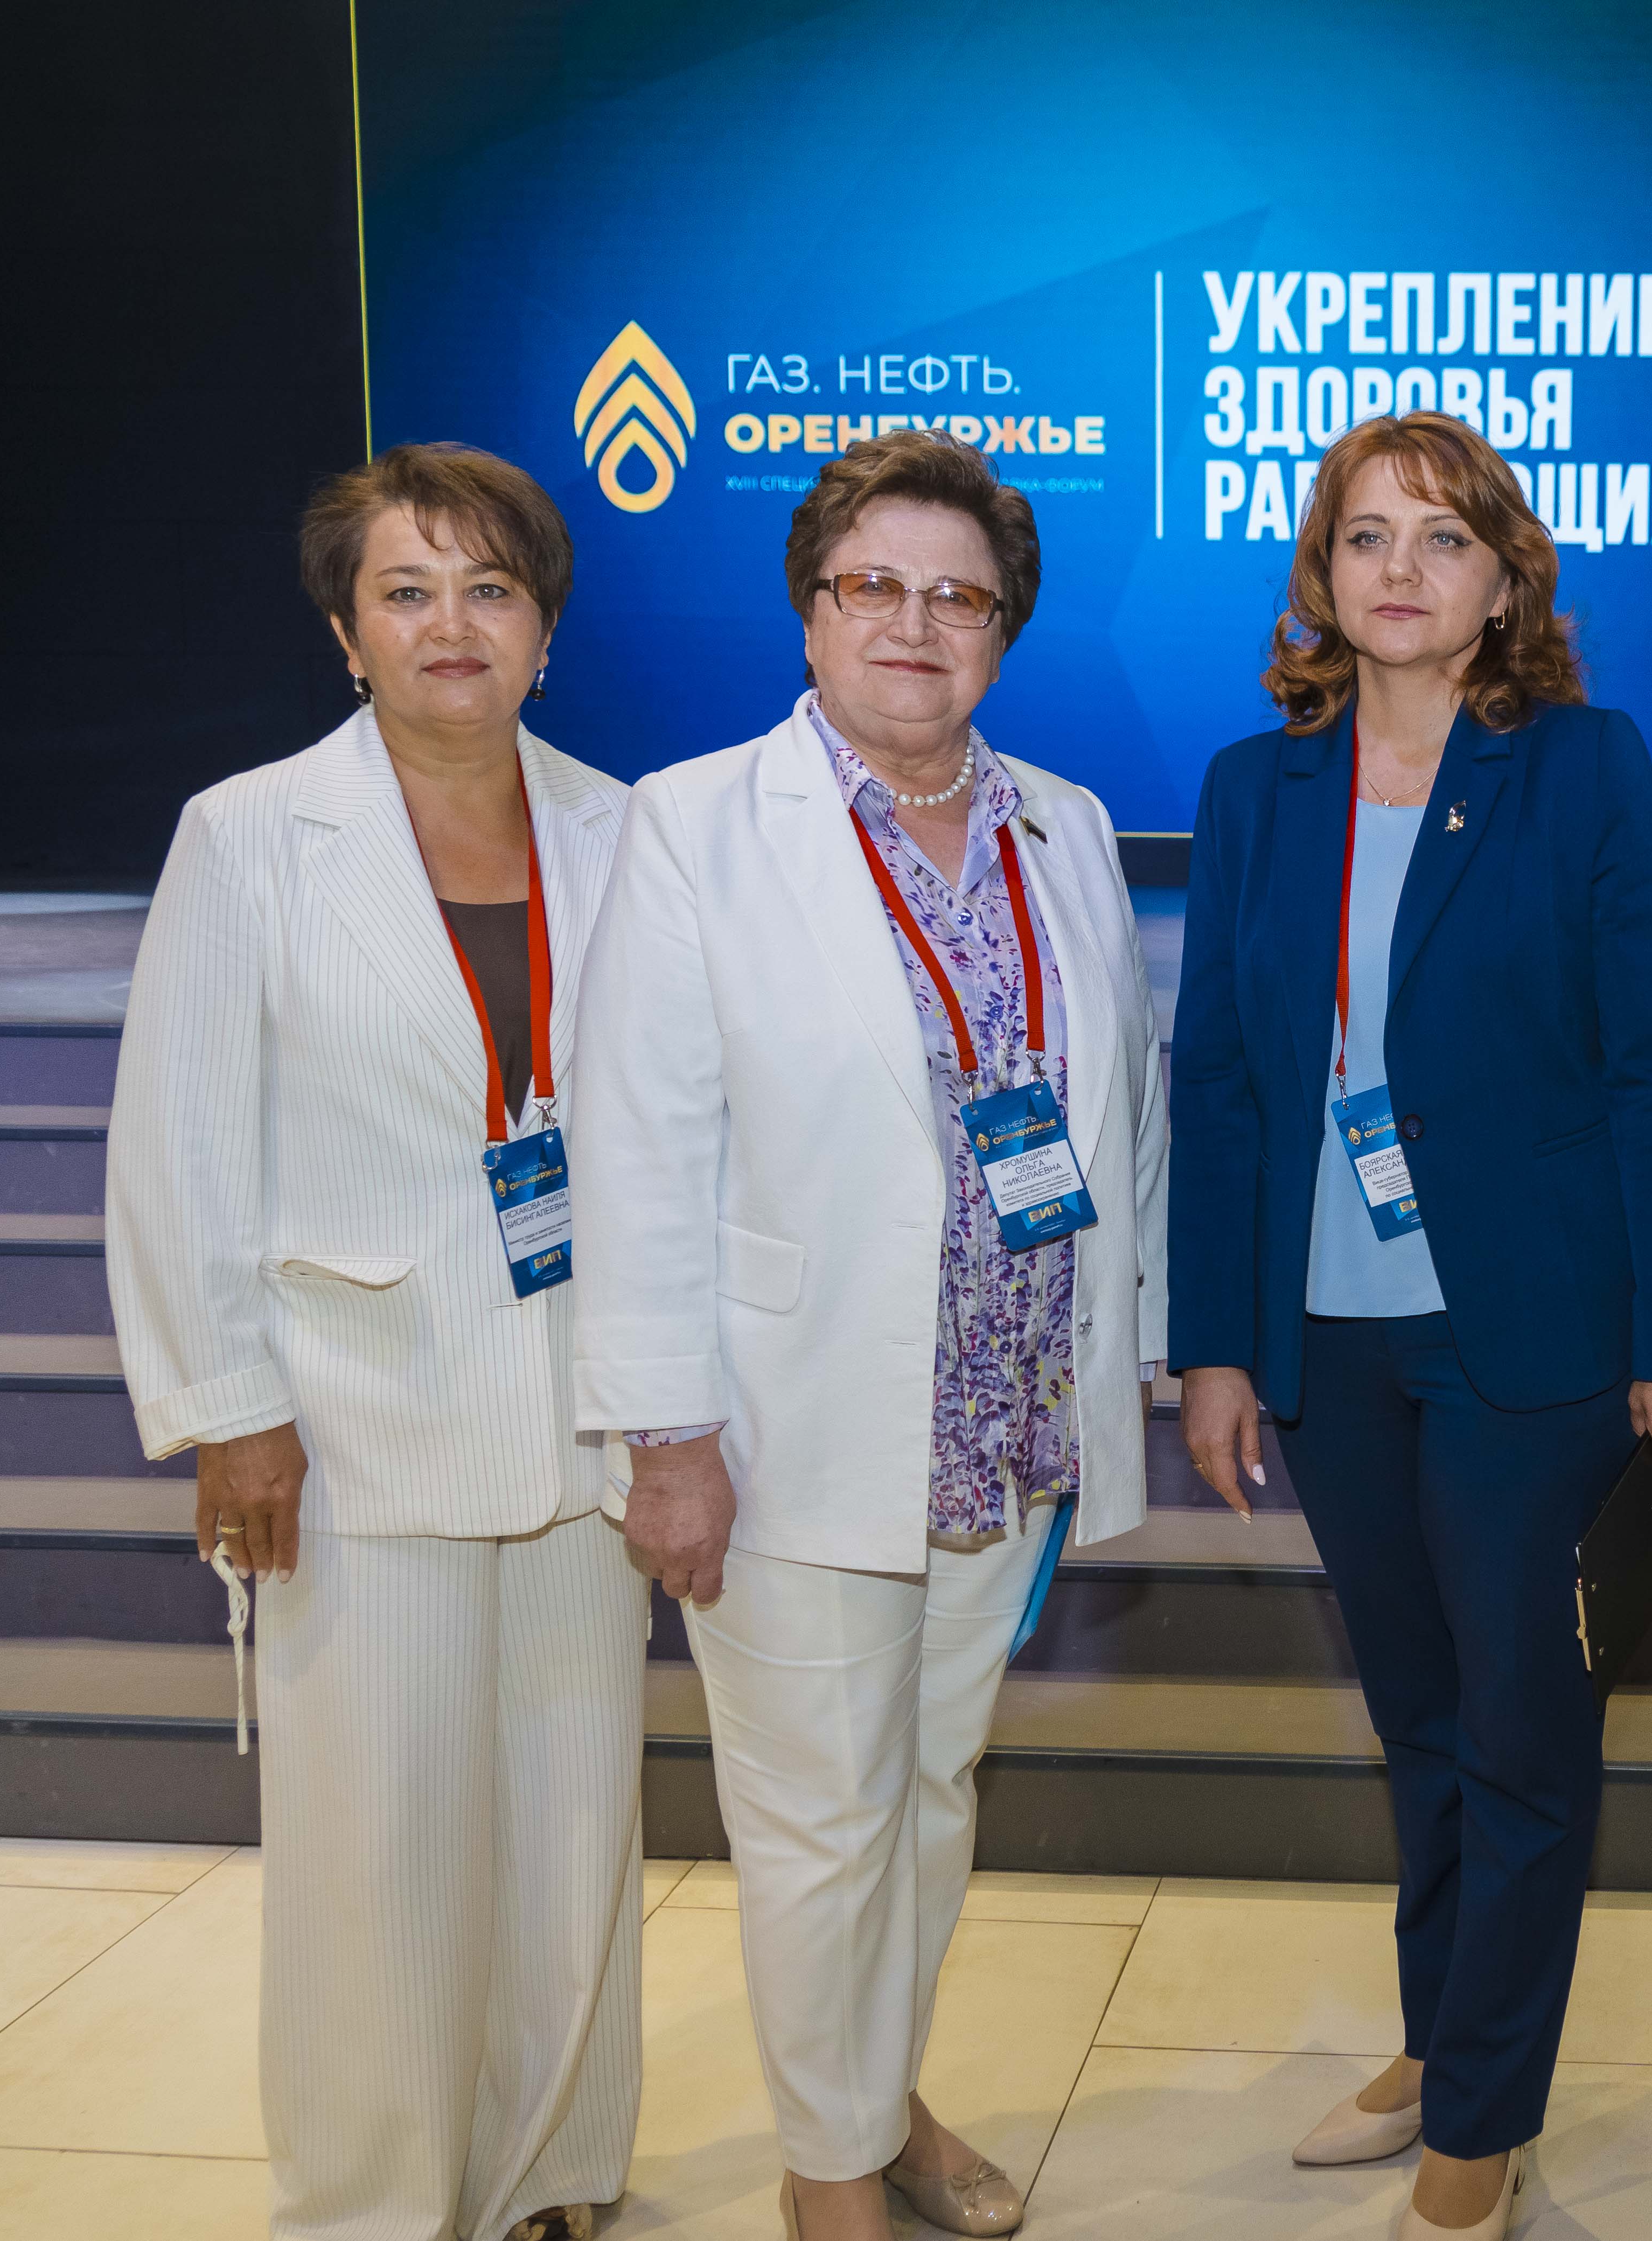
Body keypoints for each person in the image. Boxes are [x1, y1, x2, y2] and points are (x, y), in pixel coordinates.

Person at [570, 430, 1168, 2241]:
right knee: (820, 1818)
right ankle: (829, 2174)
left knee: (926, 1792)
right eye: (875, 585)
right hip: (792, 1422)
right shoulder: (693, 822)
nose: (916, 622)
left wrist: (1128, 1353)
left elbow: (1120, 1114)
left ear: (1004, 630)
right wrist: (667, 1431)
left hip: (1008, 1418)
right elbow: (638, 1145)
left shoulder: (1063, 823)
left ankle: (880, 2099)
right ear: (812, 606)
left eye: (959, 596)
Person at [1167, 410, 1652, 2241]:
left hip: (1533, 1337)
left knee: (1521, 1733)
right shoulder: (1257, 787)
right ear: (1321, 572)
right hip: (1327, 1334)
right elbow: (1221, 1079)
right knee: (1416, 1715)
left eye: (1442, 538)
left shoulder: (1581, 766)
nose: (1398, 569)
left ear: (1504, 582)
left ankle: (1483, 2111)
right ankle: (1439, 2036)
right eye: (1365, 535)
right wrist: (1217, 1342)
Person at [107, 442, 642, 2241]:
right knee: (377, 1859)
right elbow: (178, 1140)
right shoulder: (249, 835)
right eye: (406, 591)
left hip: (585, 1409)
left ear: (547, 629)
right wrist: (228, 1407)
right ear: (347, 634)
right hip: (351, 1418)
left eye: (491, 588)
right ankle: (372, 2203)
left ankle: (549, 2168)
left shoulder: (625, 828)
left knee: (570, 1834)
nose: (450, 624)